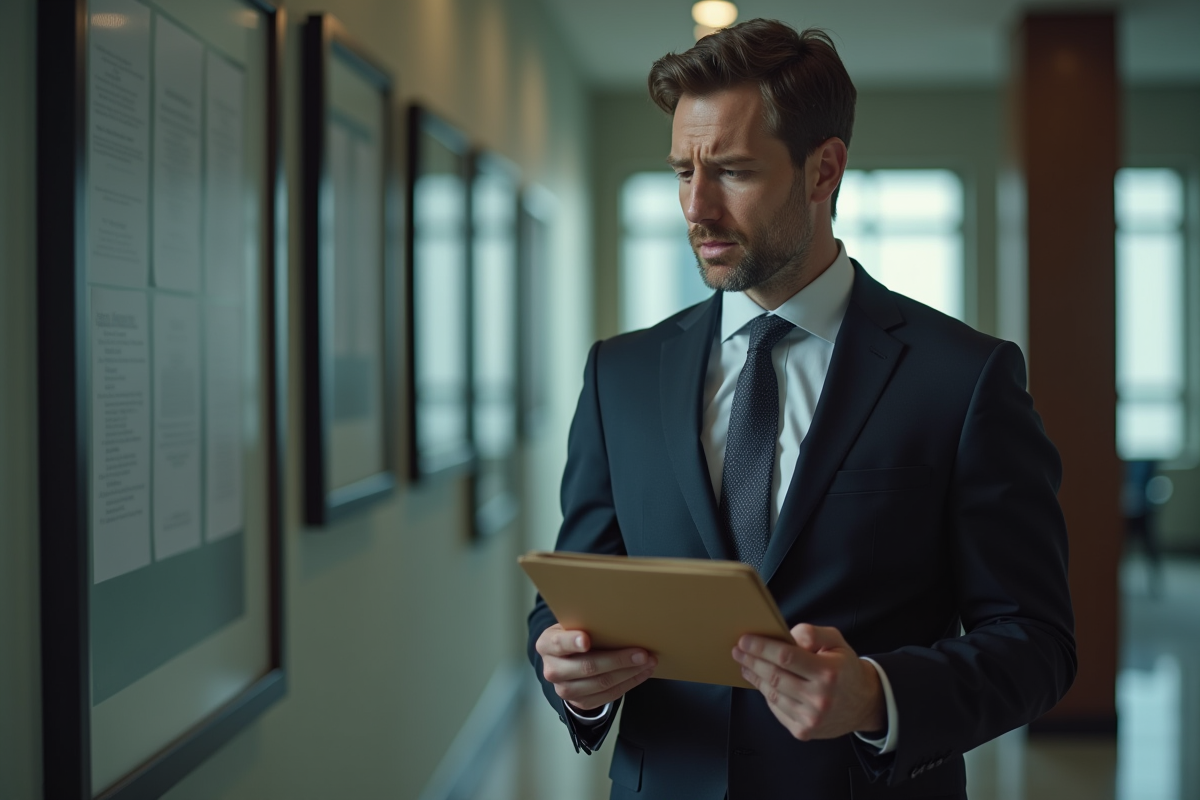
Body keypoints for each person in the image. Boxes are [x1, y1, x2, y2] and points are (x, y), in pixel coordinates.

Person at [527, 19, 1075, 799]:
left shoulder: (965, 377)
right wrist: (570, 674)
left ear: (825, 171)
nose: (697, 207)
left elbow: (1037, 642)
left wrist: (875, 696)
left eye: (734, 172)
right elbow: (573, 593)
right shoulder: (620, 374)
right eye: (682, 171)